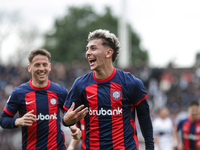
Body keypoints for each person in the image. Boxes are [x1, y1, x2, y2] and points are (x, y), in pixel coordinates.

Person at [62, 29, 154, 150]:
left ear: (108, 52)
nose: (88, 53)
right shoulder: (80, 84)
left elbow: (145, 119)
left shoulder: (131, 83)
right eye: (87, 49)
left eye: (93, 48)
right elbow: (67, 116)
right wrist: (66, 121)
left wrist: (150, 148)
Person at [0, 49, 87, 150]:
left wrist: (73, 128)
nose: (41, 68)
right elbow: (3, 121)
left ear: (49, 67)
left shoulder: (60, 91)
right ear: (29, 68)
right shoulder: (19, 93)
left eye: (44, 64)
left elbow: (69, 116)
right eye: (37, 65)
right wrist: (18, 121)